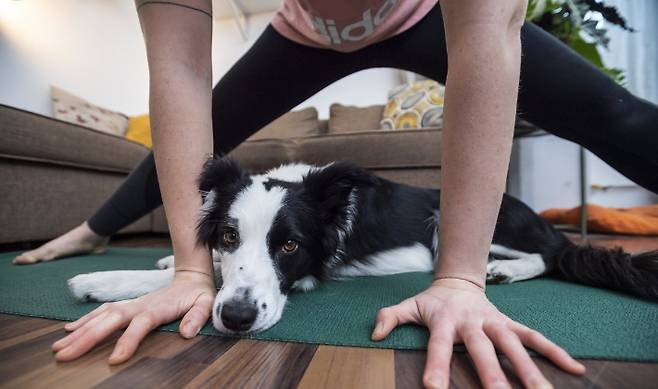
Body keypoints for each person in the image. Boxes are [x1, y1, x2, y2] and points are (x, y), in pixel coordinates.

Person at [16, 0, 658, 387]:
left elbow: (492, 36)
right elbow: (179, 70)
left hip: (426, 13)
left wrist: (461, 279)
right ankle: (92, 227)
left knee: (619, 115)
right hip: (300, 34)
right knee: (203, 129)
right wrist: (190, 266)